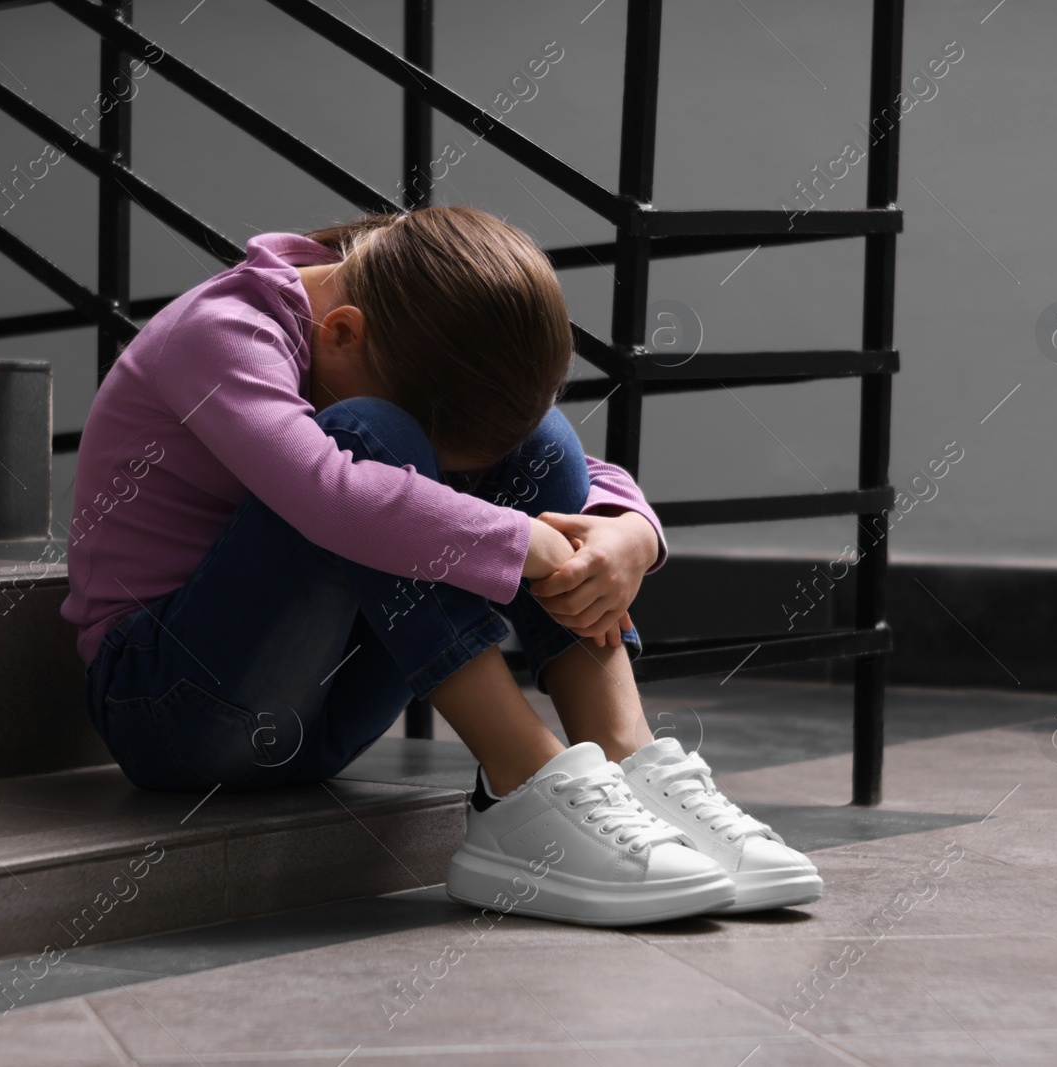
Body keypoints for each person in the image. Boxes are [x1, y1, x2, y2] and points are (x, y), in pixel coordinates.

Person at [62, 205, 821, 926]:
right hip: (172, 709)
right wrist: (520, 543)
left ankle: (626, 757)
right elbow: (328, 493)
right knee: (367, 437)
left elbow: (568, 471)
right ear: (342, 330)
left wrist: (629, 534)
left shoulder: (391, 321)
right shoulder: (221, 331)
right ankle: (522, 780)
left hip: (323, 715)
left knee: (542, 442)